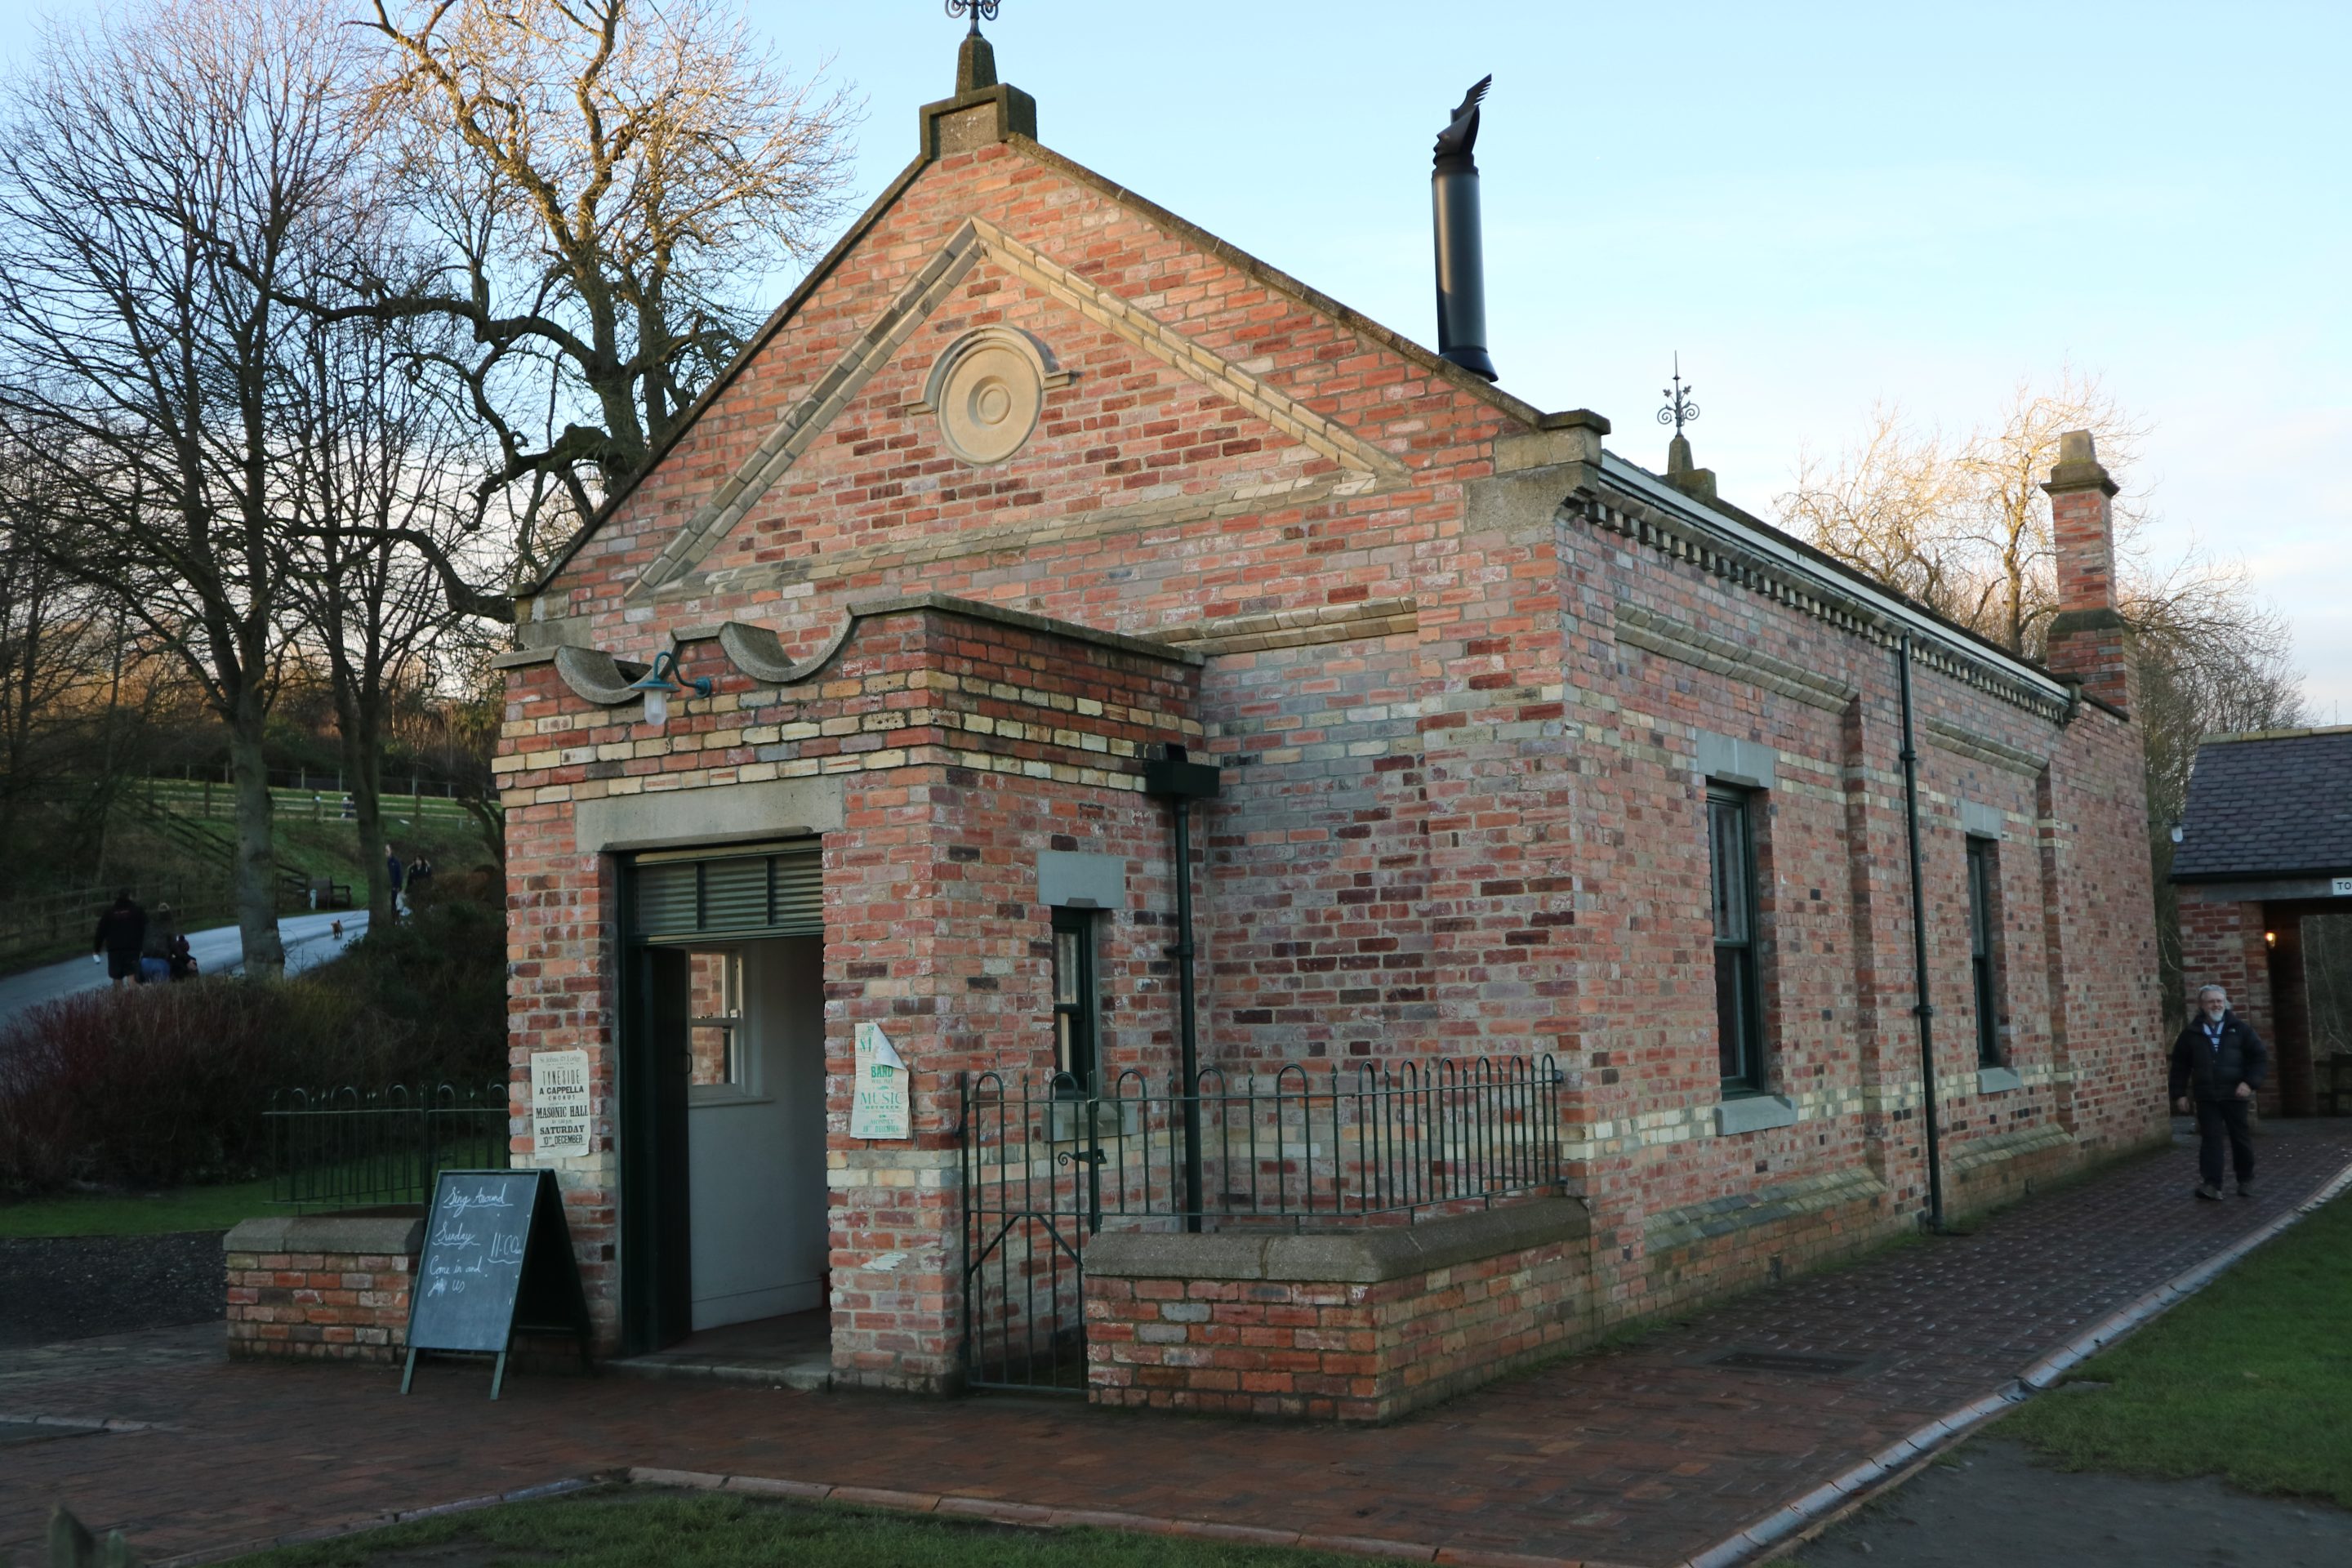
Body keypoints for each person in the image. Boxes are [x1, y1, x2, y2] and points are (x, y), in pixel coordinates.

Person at [2170, 984, 2268, 1200]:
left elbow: (2259, 1058)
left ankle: (2246, 1180)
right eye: (2211, 1001)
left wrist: (2250, 1083)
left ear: (2226, 1003)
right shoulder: (2191, 1034)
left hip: (2235, 1094)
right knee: (2211, 1140)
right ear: (2202, 1005)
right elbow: (2180, 1066)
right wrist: (2179, 1094)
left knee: (2240, 1139)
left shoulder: (2241, 1030)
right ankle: (2212, 1185)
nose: (2216, 1005)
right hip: (2207, 1096)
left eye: (2219, 1001)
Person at [91, 891, 147, 991]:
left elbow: (100, 931)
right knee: (132, 981)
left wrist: (96, 949)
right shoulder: (137, 911)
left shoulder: (109, 913)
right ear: (130, 897)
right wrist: (143, 946)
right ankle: (142, 1000)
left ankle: (119, 1003)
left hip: (114, 950)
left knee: (117, 980)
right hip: (132, 949)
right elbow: (145, 928)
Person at [140, 902, 178, 985]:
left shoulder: (150, 925)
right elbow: (174, 946)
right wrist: (186, 959)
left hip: (145, 962)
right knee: (160, 991)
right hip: (161, 963)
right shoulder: (169, 925)